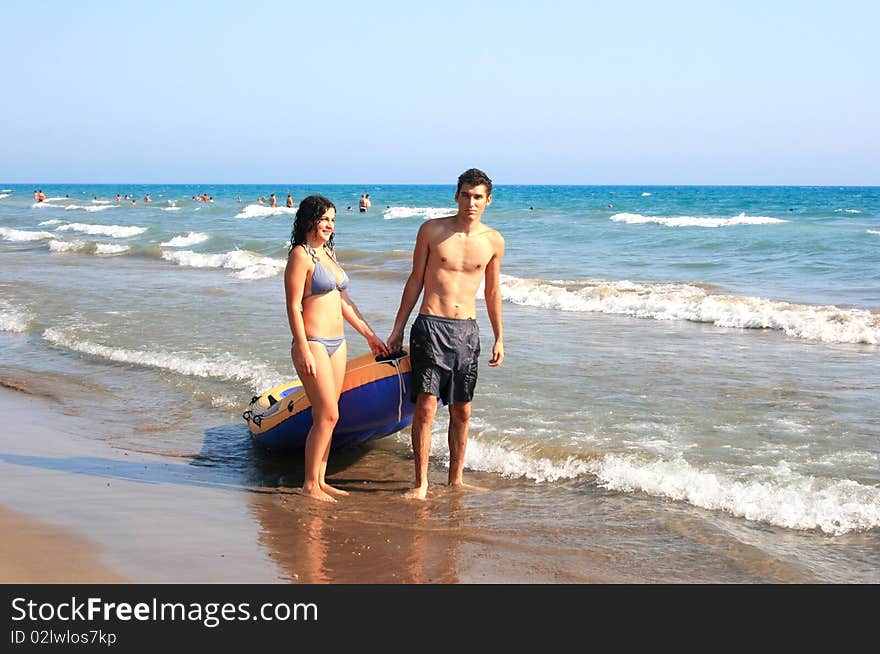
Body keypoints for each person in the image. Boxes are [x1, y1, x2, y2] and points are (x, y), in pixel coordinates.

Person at [387, 168, 505, 500]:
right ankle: (421, 483)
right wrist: (398, 328)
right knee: (425, 407)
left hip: (466, 331)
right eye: (466, 194)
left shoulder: (493, 241)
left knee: (462, 410)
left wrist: (499, 336)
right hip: (430, 326)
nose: (471, 202)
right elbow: (415, 280)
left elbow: (493, 292)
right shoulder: (432, 230)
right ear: (456, 196)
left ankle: (455, 479)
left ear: (488, 201)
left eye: (478, 196)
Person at [284, 194, 389, 502]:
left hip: (338, 344)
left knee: (332, 414)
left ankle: (321, 479)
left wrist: (369, 335)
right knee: (327, 414)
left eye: (332, 219)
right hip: (313, 342)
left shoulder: (329, 253)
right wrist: (302, 348)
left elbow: (344, 302)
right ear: (309, 220)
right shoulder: (300, 256)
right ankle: (309, 484)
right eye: (324, 218)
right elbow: (292, 307)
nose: (329, 224)